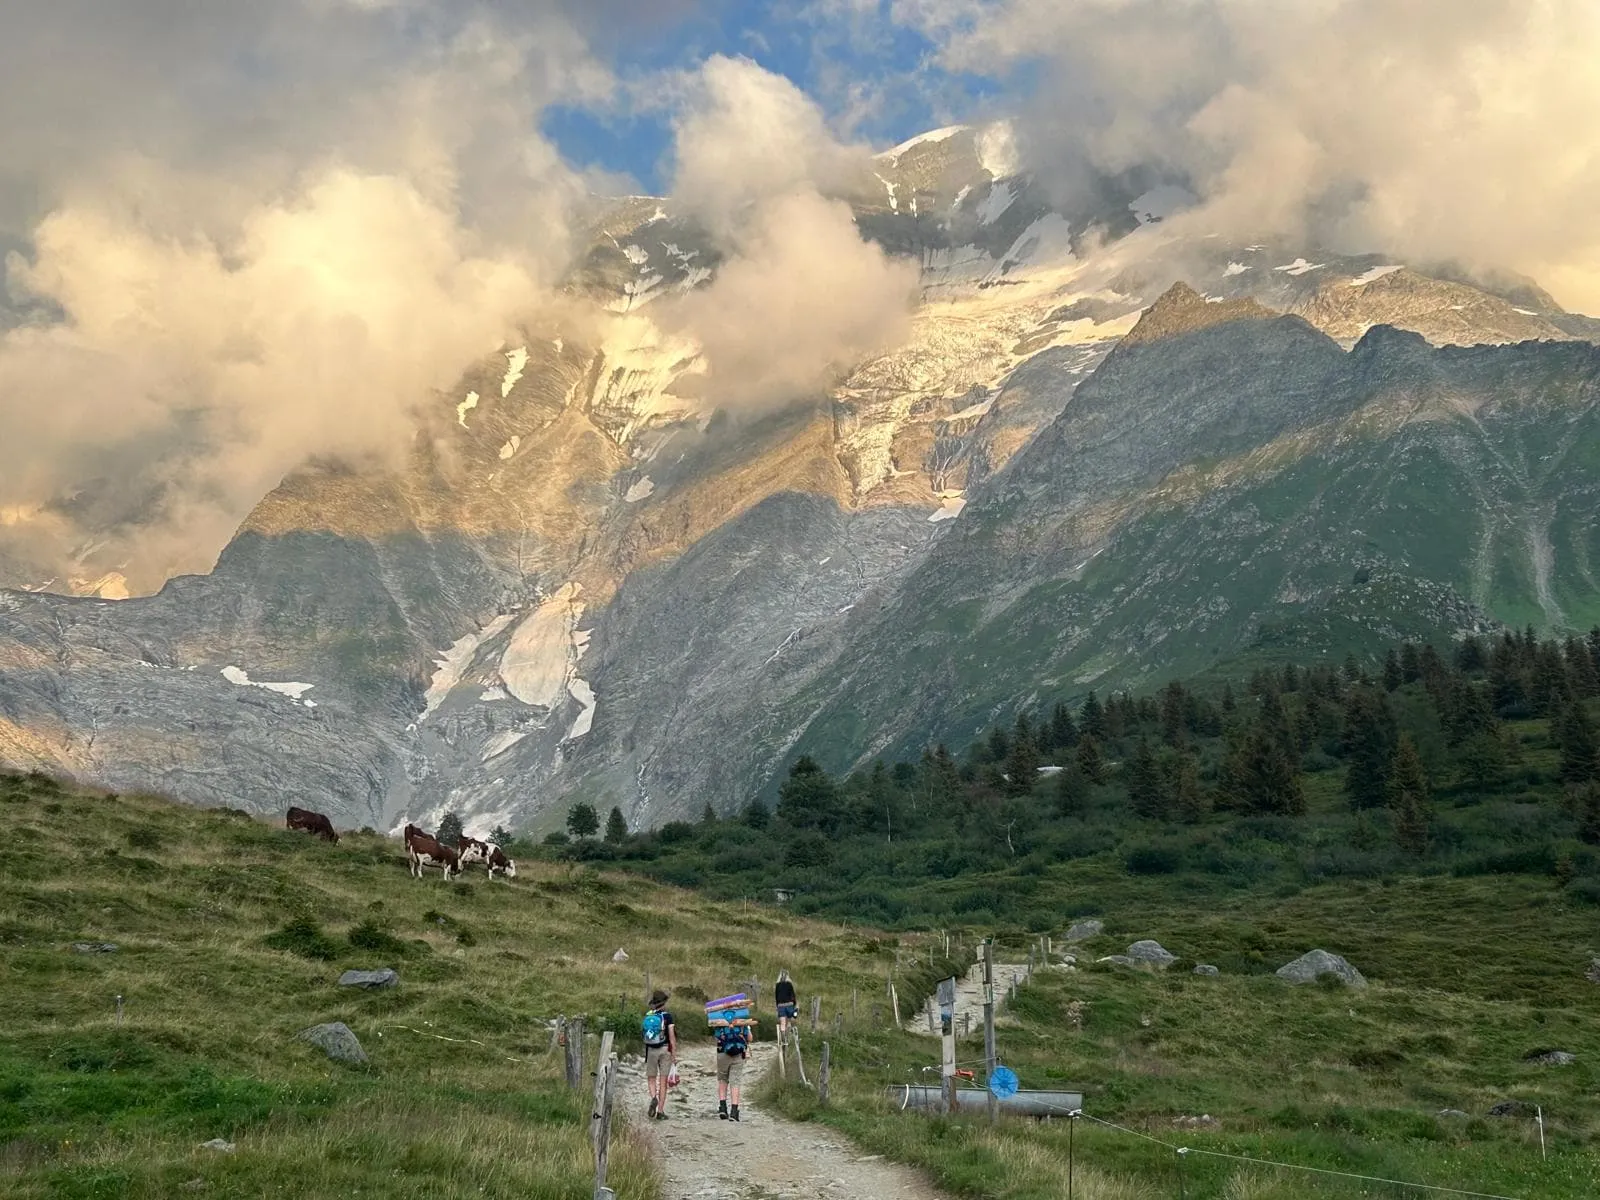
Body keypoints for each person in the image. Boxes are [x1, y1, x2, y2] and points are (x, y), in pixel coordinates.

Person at [642, 988, 676, 1120]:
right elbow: (672, 1037)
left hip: (651, 1050)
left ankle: (653, 1097)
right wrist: (674, 1054)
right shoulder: (668, 1016)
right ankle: (660, 1111)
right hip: (665, 1049)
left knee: (651, 1078)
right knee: (663, 1081)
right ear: (664, 1003)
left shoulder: (648, 1015)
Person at [715, 1016, 749, 1121]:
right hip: (738, 1054)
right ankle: (734, 1112)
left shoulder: (719, 1021)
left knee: (722, 1080)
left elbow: (716, 1038)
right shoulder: (743, 1021)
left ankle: (723, 1108)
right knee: (735, 1082)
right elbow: (749, 1038)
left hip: (722, 1053)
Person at [774, 969, 798, 1039]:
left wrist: (777, 1006)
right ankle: (788, 1037)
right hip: (789, 1004)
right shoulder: (789, 984)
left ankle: (783, 1038)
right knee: (789, 1021)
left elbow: (776, 997)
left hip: (781, 1005)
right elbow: (793, 995)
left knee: (782, 1022)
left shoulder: (777, 985)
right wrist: (795, 1004)